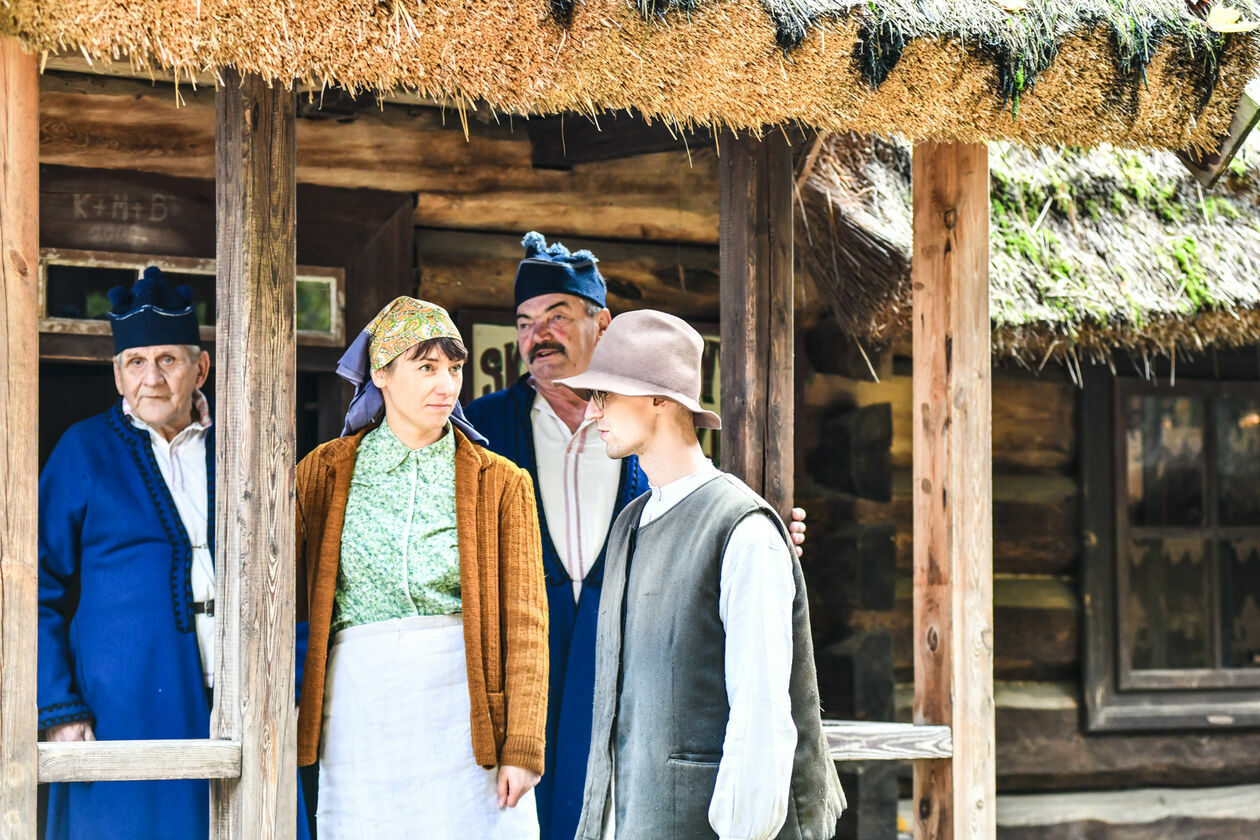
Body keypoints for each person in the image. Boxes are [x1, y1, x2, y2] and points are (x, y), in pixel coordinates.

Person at [465, 233, 809, 840]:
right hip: (530, 652)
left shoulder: (731, 525)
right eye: (524, 322)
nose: (537, 334)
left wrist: (763, 538)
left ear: (601, 323)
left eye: (558, 316)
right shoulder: (488, 430)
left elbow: (759, 710)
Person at [37, 267, 310, 840]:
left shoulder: (246, 445)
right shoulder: (82, 451)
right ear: (117, 375)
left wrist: (294, 683)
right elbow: (33, 588)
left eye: (169, 359)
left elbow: (297, 578)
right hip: (125, 710)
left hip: (244, 697)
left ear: (200, 368)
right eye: (136, 362)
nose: (152, 379)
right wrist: (59, 708)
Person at [560, 310, 846, 840]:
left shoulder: (743, 530)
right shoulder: (628, 524)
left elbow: (761, 711)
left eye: (605, 394)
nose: (591, 410)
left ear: (659, 399)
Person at [294, 296, 549, 840]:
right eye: (426, 367)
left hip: (466, 715)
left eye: (454, 368)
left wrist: (522, 745)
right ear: (381, 373)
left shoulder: (502, 483)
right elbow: (284, 599)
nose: (448, 385)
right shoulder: (321, 475)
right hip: (360, 712)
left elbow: (526, 623)